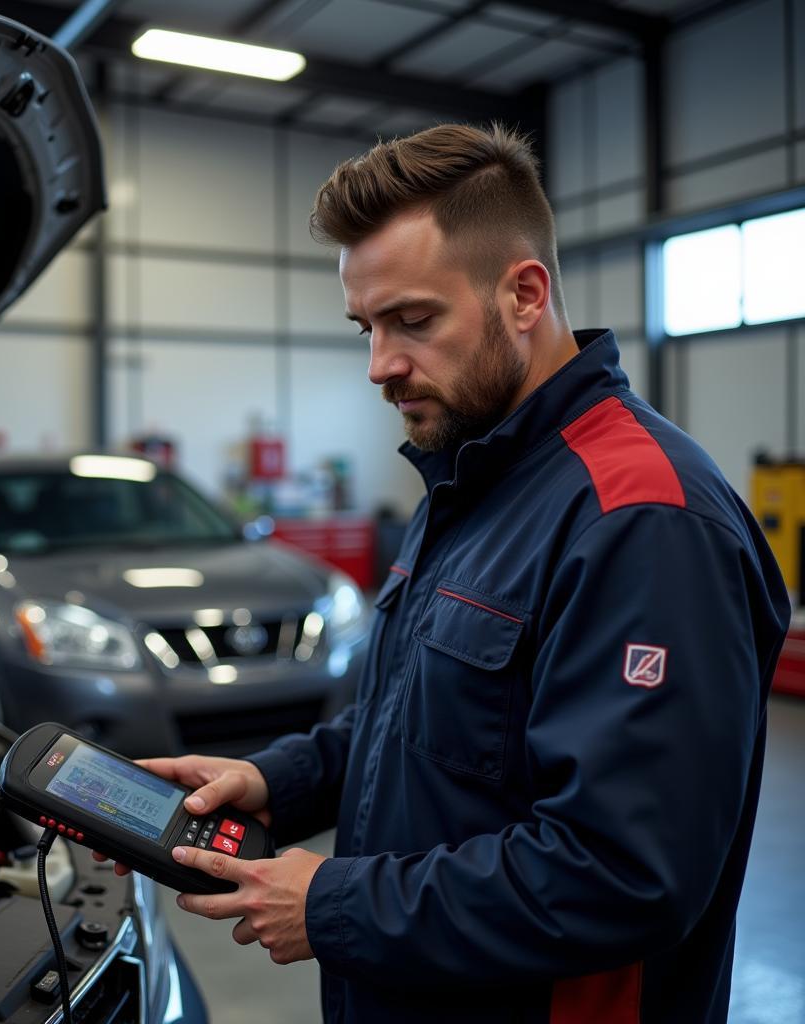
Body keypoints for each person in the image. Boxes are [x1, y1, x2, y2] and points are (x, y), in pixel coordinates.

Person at [95, 124, 791, 1023]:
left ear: (525, 294)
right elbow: (422, 728)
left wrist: (334, 903)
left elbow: (626, 874)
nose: (381, 364)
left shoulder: (642, 518)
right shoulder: (469, 477)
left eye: (414, 321)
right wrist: (279, 778)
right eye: (367, 326)